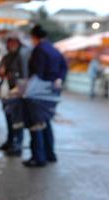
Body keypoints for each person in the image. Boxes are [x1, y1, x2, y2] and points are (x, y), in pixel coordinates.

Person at [22, 25, 68, 167]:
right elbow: (64, 67)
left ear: (34, 37)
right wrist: (59, 79)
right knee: (46, 122)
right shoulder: (54, 49)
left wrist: (26, 90)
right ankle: (50, 154)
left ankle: (38, 158)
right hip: (52, 91)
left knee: (36, 124)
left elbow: (37, 73)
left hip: (38, 93)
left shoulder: (39, 50)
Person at [0, 35, 29, 156]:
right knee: (8, 117)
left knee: (17, 120)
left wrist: (19, 85)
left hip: (17, 92)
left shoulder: (22, 56)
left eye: (14, 42)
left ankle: (17, 145)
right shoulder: (6, 57)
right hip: (6, 91)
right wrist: (1, 72)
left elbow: (24, 75)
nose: (12, 44)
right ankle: (10, 141)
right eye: (10, 42)